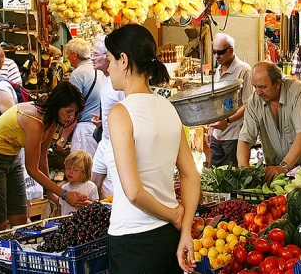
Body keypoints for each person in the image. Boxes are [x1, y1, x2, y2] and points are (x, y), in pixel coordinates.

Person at [105, 24, 200, 273]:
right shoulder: (168, 107)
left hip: (133, 243)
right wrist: (185, 230)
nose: (107, 69)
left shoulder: (120, 113)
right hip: (169, 239)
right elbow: (191, 175)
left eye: (109, 60)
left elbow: (133, 192)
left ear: (123, 60)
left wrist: (174, 215)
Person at [0, 82, 89, 231]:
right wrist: (64, 194)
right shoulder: (34, 121)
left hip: (13, 157)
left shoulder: (52, 119)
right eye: (69, 111)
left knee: (20, 218)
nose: (71, 117)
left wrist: (50, 192)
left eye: (75, 113)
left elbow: (43, 158)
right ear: (57, 105)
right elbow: (32, 169)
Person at [238, 62, 301, 182]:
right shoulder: (254, 102)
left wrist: (283, 167)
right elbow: (245, 138)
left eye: (263, 87)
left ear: (277, 83)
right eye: (255, 87)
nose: (258, 92)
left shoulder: (297, 91)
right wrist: (243, 168)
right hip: (280, 175)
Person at [208, 33, 252, 167]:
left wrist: (227, 121)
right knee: (212, 176)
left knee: (230, 178)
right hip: (217, 135)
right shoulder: (218, 69)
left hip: (234, 136)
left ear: (231, 50)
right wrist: (210, 128)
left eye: (220, 52)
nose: (216, 56)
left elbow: (248, 104)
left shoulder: (243, 70)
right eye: (214, 52)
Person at [90, 35, 123, 199]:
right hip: (105, 140)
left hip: (117, 144)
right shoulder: (105, 78)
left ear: (108, 56)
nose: (92, 58)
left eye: (96, 54)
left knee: (112, 193)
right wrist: (102, 122)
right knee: (93, 185)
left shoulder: (119, 83)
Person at [59, 38, 103, 157]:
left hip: (84, 132)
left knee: (82, 170)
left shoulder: (78, 74)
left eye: (67, 54)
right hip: (99, 128)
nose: (67, 58)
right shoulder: (100, 71)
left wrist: (63, 138)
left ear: (74, 55)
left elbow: (72, 111)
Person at [59, 150, 99, 216]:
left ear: (84, 172)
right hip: (67, 222)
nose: (70, 172)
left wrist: (87, 203)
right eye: (68, 168)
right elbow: (60, 208)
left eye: (75, 170)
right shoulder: (64, 188)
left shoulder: (91, 187)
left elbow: (97, 207)